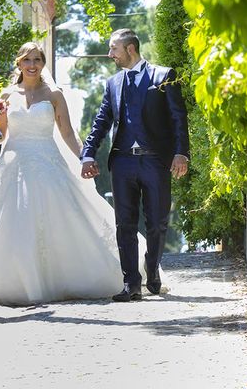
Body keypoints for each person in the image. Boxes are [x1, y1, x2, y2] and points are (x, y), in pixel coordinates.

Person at [0, 42, 137, 306]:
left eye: (37, 60)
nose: (32, 65)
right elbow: (0, 138)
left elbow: (67, 133)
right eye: (27, 60)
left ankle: (60, 276)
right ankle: (6, 278)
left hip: (47, 163)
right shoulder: (6, 95)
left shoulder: (54, 95)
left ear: (42, 64)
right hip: (13, 163)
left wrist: (84, 157)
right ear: (19, 63)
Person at [81, 28, 190, 302]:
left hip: (154, 160)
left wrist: (181, 153)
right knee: (124, 224)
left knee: (157, 221)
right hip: (122, 162)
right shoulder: (113, 84)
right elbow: (101, 122)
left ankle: (151, 267)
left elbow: (179, 118)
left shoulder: (163, 76)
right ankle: (131, 282)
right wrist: (88, 153)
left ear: (130, 48)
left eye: (113, 48)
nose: (110, 54)